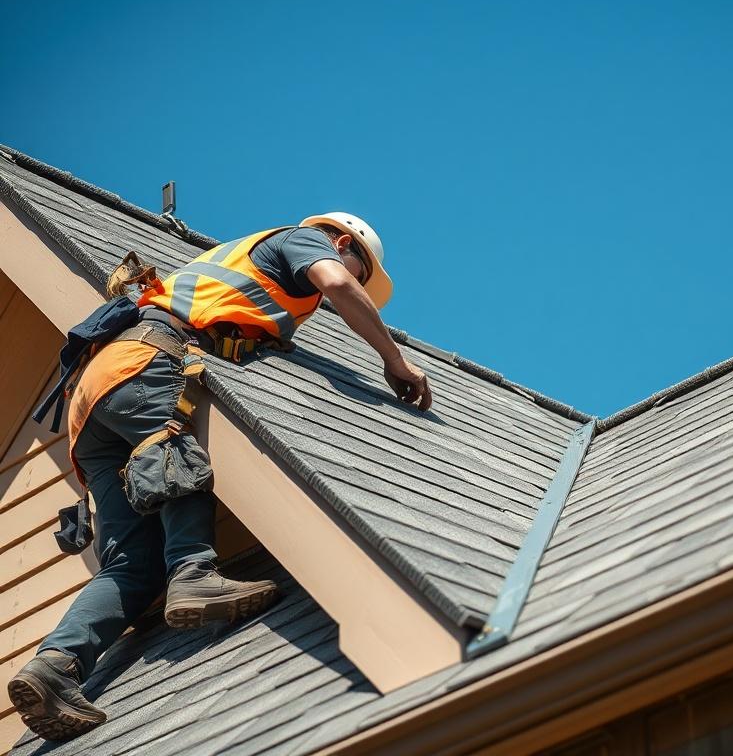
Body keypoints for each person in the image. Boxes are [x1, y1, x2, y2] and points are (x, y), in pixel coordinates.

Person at [7, 212, 431, 741]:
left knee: (133, 562)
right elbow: (339, 284)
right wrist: (394, 361)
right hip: (145, 364)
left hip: (93, 399)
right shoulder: (302, 241)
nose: (348, 285)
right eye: (360, 268)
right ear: (341, 242)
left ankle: (54, 668)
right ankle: (193, 573)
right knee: (178, 457)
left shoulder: (238, 280)